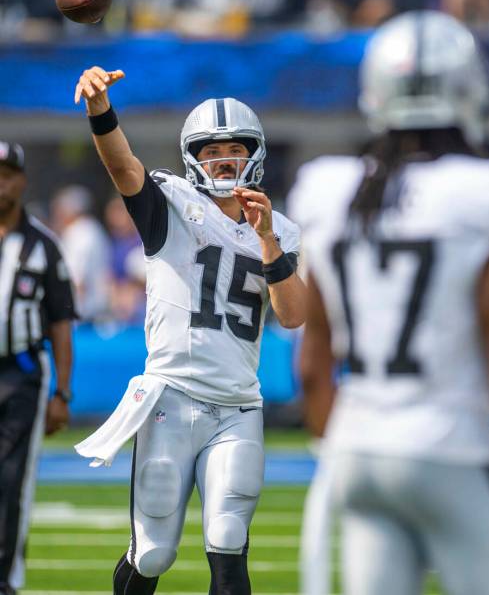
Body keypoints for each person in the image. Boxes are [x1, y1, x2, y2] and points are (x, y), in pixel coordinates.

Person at [288, 11, 489, 595]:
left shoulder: (327, 188)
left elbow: (314, 365)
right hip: (449, 448)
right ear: (471, 90)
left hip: (357, 452)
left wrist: (343, 449)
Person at [72, 67, 305, 595]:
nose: (223, 159)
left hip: (238, 407)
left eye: (234, 149)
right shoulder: (171, 203)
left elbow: (293, 315)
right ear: (192, 158)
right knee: (153, 553)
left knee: (228, 542)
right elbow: (121, 164)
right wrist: (100, 109)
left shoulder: (281, 227)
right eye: (211, 150)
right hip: (171, 401)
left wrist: (266, 240)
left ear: (254, 154)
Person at [0, 141, 75, 595]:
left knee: (10, 480)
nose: (0, 182)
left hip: (21, 374)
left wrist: (61, 393)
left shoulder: (44, 246)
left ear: (22, 181)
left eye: (8, 173)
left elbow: (62, 324)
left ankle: (5, 579)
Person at [50, 185, 112, 322]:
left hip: (86, 316)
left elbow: (77, 279)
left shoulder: (80, 232)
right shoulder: (93, 228)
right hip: (95, 310)